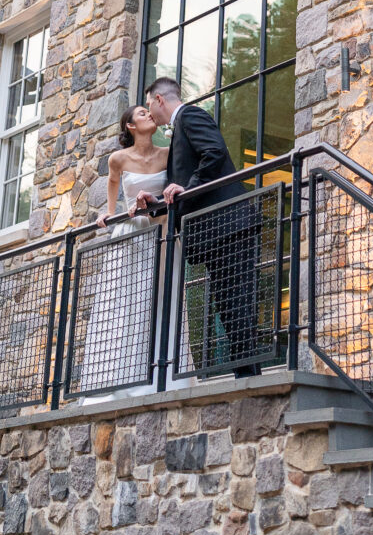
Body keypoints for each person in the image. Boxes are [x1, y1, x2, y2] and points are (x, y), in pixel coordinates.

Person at [144, 77, 262, 379]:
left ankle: (248, 378)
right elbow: (181, 188)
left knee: (238, 305)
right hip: (216, 233)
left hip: (230, 226)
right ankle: (244, 376)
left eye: (148, 105)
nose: (150, 114)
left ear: (159, 99)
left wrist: (186, 187)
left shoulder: (190, 116)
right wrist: (154, 203)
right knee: (228, 307)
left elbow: (215, 153)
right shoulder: (179, 129)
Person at [78, 105, 168, 392]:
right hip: (131, 233)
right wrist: (108, 212)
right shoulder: (118, 159)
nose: (149, 115)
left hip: (160, 230)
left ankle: (159, 377)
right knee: (125, 301)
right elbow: (113, 184)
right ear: (130, 125)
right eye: (142, 113)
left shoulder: (168, 154)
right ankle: (117, 380)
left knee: (158, 297)